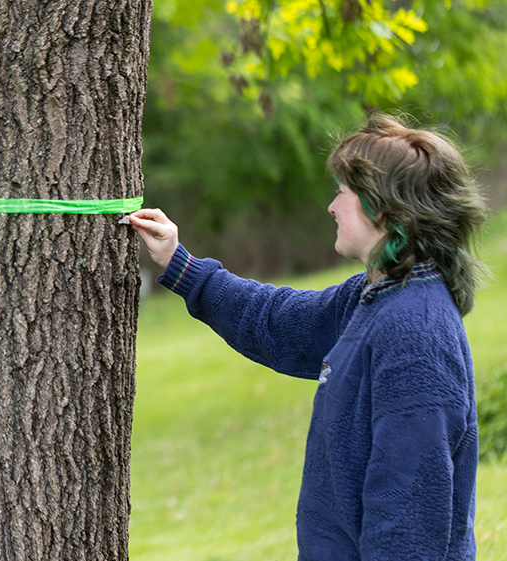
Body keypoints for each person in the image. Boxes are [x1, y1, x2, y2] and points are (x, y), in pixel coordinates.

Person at [129, 113, 486, 560]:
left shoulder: (416, 335)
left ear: (383, 208)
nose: (333, 207)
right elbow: (279, 323)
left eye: (342, 194)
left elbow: (408, 514)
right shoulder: (375, 297)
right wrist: (182, 266)